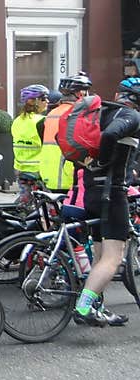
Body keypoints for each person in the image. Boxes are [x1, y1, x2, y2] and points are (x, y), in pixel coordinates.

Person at [72, 77, 140, 326]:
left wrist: (96, 165)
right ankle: (83, 307)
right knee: (114, 257)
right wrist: (105, 161)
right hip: (111, 195)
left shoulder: (101, 113)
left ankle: (97, 307)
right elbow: (111, 136)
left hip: (92, 190)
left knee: (100, 257)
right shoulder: (130, 116)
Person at [39, 73, 92, 194]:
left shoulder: (51, 114)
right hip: (68, 175)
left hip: (48, 174)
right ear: (80, 94)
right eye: (86, 92)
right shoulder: (78, 114)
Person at [12, 84, 49, 206]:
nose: (47, 101)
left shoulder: (16, 121)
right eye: (43, 98)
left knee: (25, 203)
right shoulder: (41, 121)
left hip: (21, 170)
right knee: (48, 206)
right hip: (38, 171)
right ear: (33, 101)